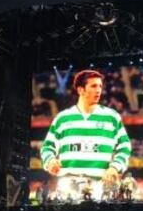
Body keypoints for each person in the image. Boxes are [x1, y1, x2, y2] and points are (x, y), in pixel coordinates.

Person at [40, 70, 132, 200]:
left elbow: (125, 146)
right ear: (80, 90)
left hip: (99, 186)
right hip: (68, 186)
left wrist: (114, 167)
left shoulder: (112, 117)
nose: (99, 90)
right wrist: (50, 161)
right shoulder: (63, 118)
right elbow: (47, 147)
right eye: (93, 86)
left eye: (100, 86)